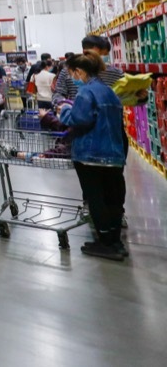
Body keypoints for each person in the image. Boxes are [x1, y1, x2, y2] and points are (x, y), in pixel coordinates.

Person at [59, 52, 128, 261]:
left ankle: (105, 242)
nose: (72, 78)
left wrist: (63, 111)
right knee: (113, 198)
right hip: (113, 153)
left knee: (96, 198)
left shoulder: (86, 93)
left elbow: (80, 119)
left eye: (72, 73)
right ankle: (115, 241)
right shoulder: (110, 92)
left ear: (79, 71)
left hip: (90, 154)